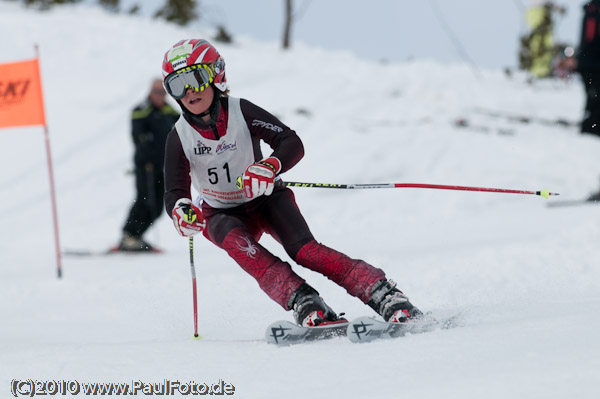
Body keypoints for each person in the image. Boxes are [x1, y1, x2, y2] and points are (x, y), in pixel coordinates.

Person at [162, 39, 422, 327]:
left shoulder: (240, 112)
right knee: (239, 244)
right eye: (176, 85)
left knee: (305, 252)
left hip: (266, 200)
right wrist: (181, 210)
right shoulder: (179, 136)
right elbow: (175, 189)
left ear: (216, 75)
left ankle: (382, 293)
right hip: (220, 212)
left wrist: (271, 165)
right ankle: (304, 300)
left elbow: (290, 141)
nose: (188, 92)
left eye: (194, 79)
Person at [118, 78, 179, 251]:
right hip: (146, 166)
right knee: (145, 199)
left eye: (163, 92)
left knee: (159, 204)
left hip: (163, 165)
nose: (160, 96)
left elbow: (181, 125)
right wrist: (148, 156)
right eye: (157, 92)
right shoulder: (141, 110)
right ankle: (129, 234)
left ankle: (137, 236)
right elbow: (139, 137)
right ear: (150, 92)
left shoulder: (168, 110)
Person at [577, 0, 600, 137]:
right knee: (594, 98)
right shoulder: (593, 11)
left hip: (590, 63)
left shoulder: (592, 9)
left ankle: (592, 126)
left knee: (594, 98)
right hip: (592, 64)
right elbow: (590, 39)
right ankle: (591, 128)